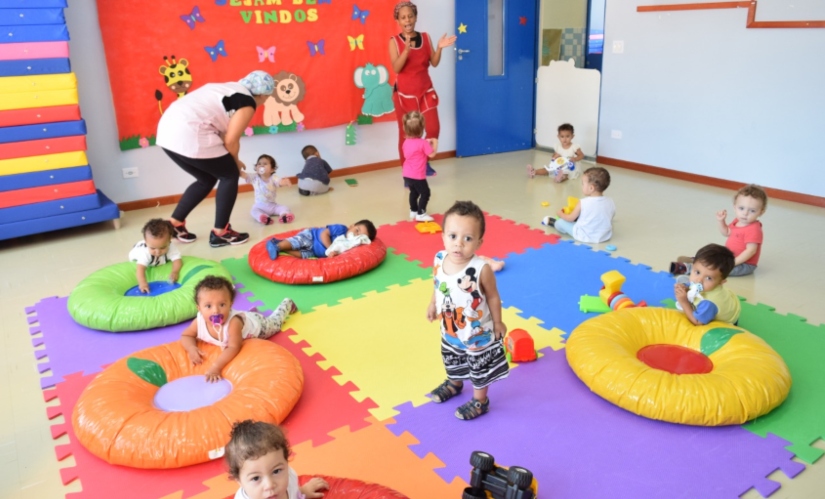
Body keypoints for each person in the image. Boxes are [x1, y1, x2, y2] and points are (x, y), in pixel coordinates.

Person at [157, 70, 276, 248]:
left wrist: (232, 159)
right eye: (266, 98)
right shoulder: (247, 102)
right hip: (189, 133)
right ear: (261, 94)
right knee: (229, 175)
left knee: (206, 178)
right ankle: (221, 232)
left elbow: (221, 129)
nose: (264, 102)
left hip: (167, 132)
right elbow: (231, 140)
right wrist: (235, 163)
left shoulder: (225, 88)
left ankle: (175, 224)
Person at [427, 201, 509, 420]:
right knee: (452, 357)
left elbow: (492, 296)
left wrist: (498, 322)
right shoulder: (439, 259)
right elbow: (437, 283)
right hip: (451, 328)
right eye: (452, 236)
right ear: (443, 236)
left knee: (478, 367)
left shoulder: (481, 269)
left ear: (479, 242)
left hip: (477, 334)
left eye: (468, 238)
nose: (458, 244)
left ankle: (480, 401)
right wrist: (433, 304)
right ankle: (455, 383)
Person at [180, 276, 296, 382]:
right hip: (245, 319)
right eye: (208, 306)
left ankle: (287, 304)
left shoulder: (233, 323)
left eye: (222, 305)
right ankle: (250, 314)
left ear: (230, 304)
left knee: (276, 323)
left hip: (259, 327)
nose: (215, 311)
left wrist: (216, 367)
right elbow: (186, 335)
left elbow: (233, 347)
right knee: (245, 318)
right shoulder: (199, 321)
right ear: (199, 308)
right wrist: (191, 348)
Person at [388, 1, 456, 176]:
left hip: (425, 90)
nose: (407, 20)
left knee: (433, 129)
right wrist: (406, 49)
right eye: (403, 17)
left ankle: (423, 162)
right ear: (398, 21)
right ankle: (408, 170)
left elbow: (433, 62)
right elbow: (396, 68)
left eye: (410, 16)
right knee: (406, 134)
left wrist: (440, 48)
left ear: (416, 17)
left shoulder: (425, 37)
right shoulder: (394, 41)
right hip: (404, 94)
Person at [671, 184, 767, 277]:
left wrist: (733, 263)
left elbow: (751, 251)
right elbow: (726, 232)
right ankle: (700, 260)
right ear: (735, 207)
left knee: (717, 270)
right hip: (728, 257)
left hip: (744, 264)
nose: (745, 213)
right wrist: (721, 221)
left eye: (752, 211)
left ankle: (688, 268)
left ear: (761, 212)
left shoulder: (754, 229)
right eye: (741, 208)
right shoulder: (737, 221)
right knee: (714, 250)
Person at [226, 420, 328, 499]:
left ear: (286, 462)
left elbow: (293, 490)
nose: (270, 485)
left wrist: (303, 491)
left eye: (276, 471)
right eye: (256, 478)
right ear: (239, 481)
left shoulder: (290, 476)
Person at [542, 166, 615, 244]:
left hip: (583, 235)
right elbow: (610, 216)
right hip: (604, 236)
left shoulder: (583, 202)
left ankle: (554, 223)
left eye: (583, 184)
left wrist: (560, 214)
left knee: (560, 222)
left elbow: (570, 218)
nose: (581, 186)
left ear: (591, 188)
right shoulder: (610, 201)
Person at [674, 244, 741, 325]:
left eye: (708, 278)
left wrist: (684, 302)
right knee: (684, 280)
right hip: (729, 302)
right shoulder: (706, 285)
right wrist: (685, 288)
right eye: (697, 272)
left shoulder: (709, 303)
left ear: (721, 282)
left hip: (728, 322)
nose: (699, 280)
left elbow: (698, 322)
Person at [266, 220, 377, 260]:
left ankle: (279, 247)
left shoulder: (348, 245)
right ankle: (278, 246)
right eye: (356, 230)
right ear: (351, 225)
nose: (355, 234)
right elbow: (324, 233)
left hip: (314, 252)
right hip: (312, 236)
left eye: (359, 236)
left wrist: (333, 254)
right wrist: (330, 248)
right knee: (297, 242)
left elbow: (337, 253)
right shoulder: (341, 229)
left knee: (301, 255)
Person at [129, 219, 183, 294]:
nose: (158, 252)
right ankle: (139, 244)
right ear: (146, 241)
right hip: (136, 253)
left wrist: (175, 272)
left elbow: (177, 260)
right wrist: (142, 283)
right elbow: (140, 269)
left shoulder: (171, 246)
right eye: (153, 248)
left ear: (170, 240)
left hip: (153, 251)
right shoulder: (144, 253)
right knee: (146, 259)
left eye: (163, 247)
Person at [402, 111, 438, 222]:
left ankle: (413, 211)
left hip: (407, 174)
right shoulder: (423, 143)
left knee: (414, 192)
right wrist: (435, 143)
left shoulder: (406, 142)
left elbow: (412, 151)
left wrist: (425, 143)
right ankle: (421, 213)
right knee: (425, 192)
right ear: (421, 129)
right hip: (418, 176)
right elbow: (431, 154)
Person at [240, 154, 294, 225]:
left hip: (273, 206)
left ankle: (284, 216)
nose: (261, 166)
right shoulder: (254, 177)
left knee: (284, 207)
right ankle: (263, 218)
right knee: (253, 211)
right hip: (259, 206)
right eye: (259, 164)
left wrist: (285, 182)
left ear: (272, 169)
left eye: (265, 164)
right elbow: (242, 174)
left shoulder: (274, 178)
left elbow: (279, 182)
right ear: (256, 167)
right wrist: (236, 166)